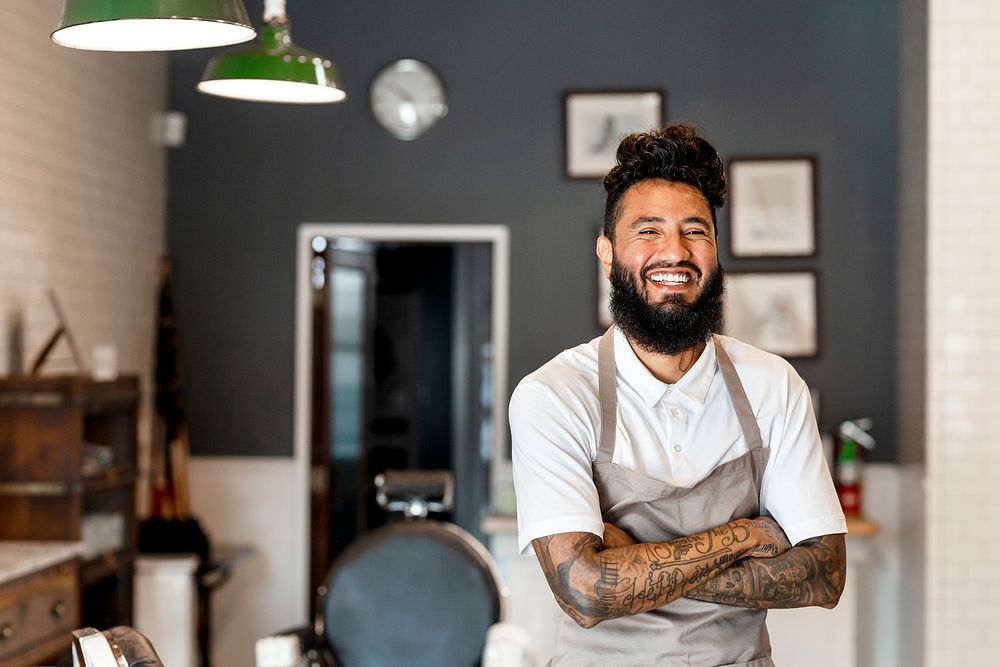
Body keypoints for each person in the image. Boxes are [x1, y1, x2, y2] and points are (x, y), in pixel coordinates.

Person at [509, 123, 847, 666]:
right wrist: (745, 534)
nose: (676, 251)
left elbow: (824, 575)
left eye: (696, 231)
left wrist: (635, 566)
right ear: (606, 252)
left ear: (715, 251)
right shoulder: (553, 395)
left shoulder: (772, 385)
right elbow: (586, 592)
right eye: (648, 231)